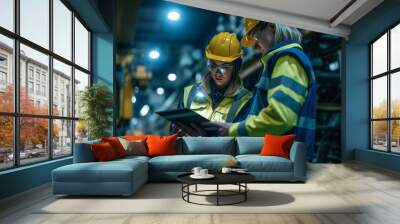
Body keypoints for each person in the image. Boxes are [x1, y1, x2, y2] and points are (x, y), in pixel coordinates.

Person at [207, 19, 317, 161]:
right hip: (276, 155)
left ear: (271, 27)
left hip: (282, 156)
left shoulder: (287, 59)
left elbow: (280, 117)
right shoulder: (277, 61)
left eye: (257, 37)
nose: (257, 46)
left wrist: (231, 129)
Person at [172, 32, 252, 136]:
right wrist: (178, 130)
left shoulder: (246, 100)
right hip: (189, 151)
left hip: (221, 152)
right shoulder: (190, 92)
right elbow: (175, 127)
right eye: (213, 65)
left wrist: (207, 138)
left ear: (236, 67)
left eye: (225, 67)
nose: (218, 72)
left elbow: (243, 139)